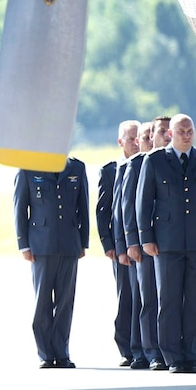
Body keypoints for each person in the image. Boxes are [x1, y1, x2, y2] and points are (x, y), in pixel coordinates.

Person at [14, 156, 90, 369]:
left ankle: (62, 351)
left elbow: (83, 206)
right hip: (41, 244)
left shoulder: (77, 167)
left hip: (69, 242)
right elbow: (20, 208)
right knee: (43, 301)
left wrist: (83, 241)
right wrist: (24, 245)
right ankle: (46, 353)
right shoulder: (28, 167)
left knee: (65, 301)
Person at [136, 113, 196, 373]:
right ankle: (172, 356)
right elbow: (143, 201)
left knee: (193, 300)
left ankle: (192, 353)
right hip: (166, 243)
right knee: (169, 301)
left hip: (193, 241)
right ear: (170, 134)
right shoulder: (155, 160)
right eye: (181, 131)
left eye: (190, 131)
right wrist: (145, 237)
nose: (186, 135)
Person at [122, 117, 168, 371]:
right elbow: (128, 206)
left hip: (169, 242)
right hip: (143, 243)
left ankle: (166, 346)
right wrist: (131, 242)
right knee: (147, 298)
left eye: (156, 134)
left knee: (168, 299)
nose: (152, 139)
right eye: (148, 135)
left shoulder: (169, 162)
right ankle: (148, 350)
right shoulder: (137, 164)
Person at [96, 120, 139, 367]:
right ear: (120, 141)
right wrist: (108, 244)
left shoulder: (149, 164)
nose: (135, 142)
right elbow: (103, 211)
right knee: (126, 297)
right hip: (121, 246)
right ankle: (126, 347)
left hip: (143, 244)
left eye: (138, 137)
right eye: (130, 138)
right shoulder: (111, 170)